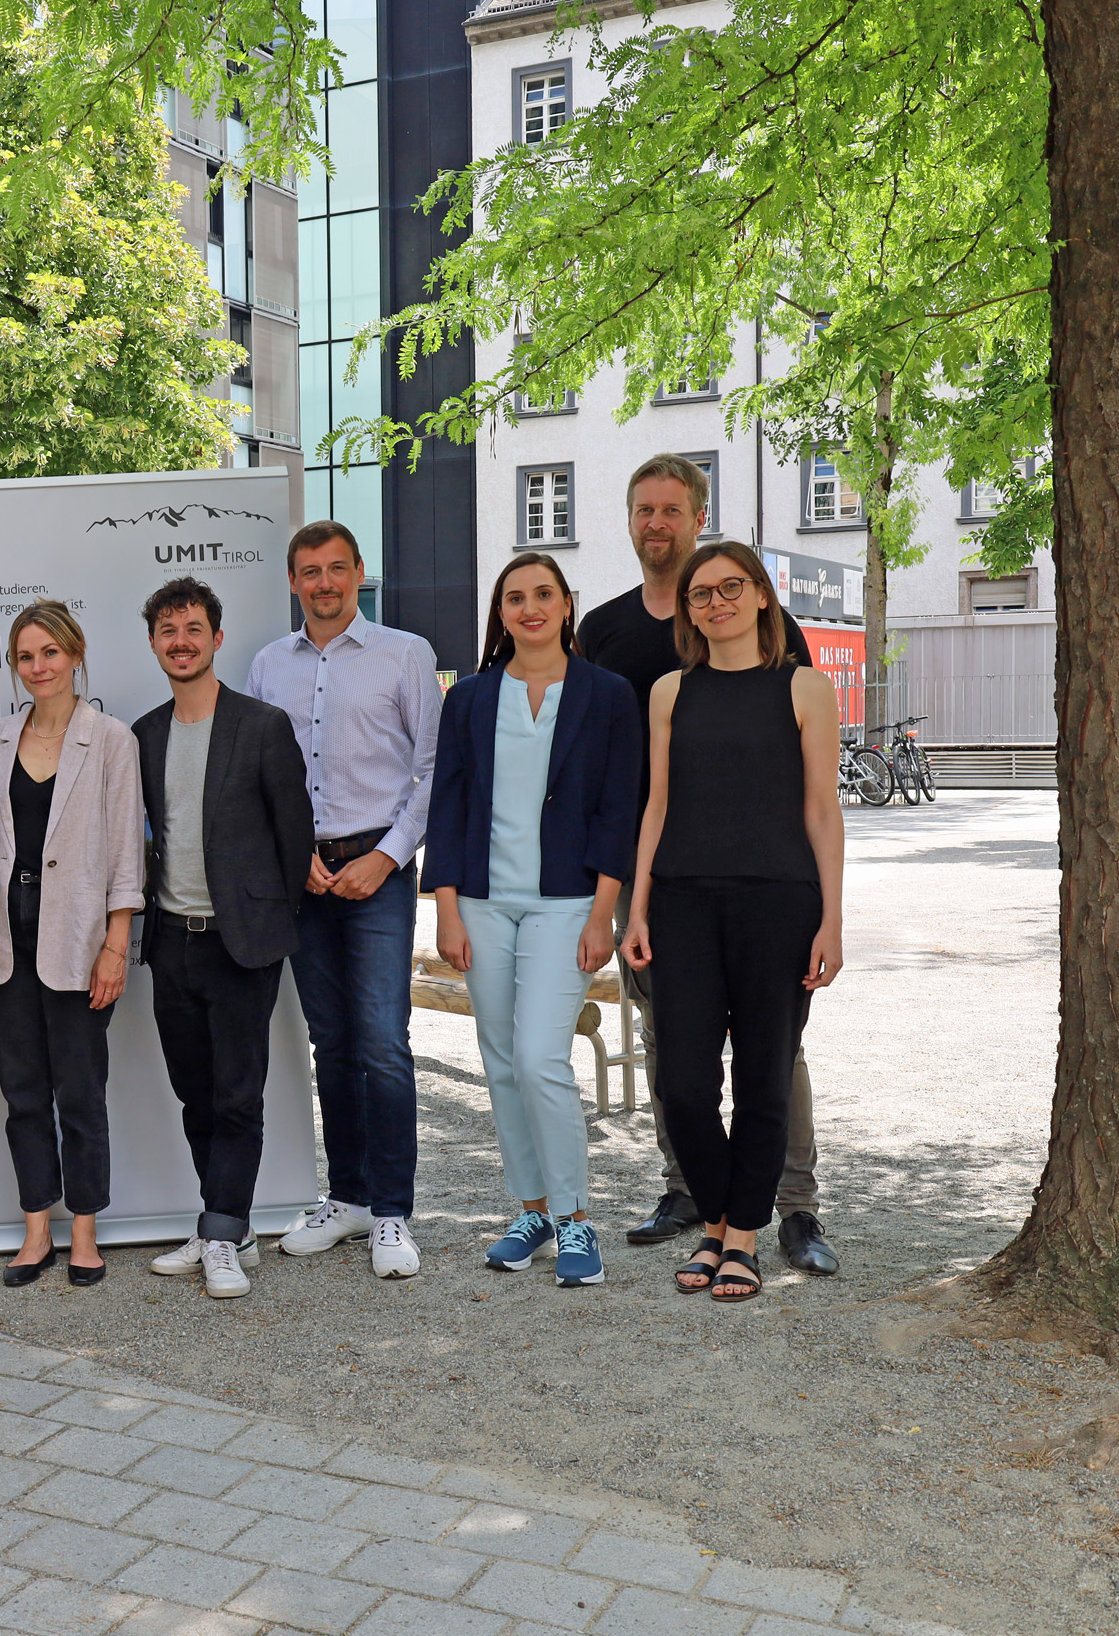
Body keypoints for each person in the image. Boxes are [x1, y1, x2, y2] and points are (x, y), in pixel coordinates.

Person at [576, 454, 840, 1276]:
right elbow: (643, 796)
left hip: (776, 895)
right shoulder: (628, 651)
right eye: (642, 508)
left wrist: (834, 915)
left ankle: (769, 1220)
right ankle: (703, 1199)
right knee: (679, 1067)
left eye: (671, 509)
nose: (717, 600)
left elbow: (820, 805)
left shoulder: (797, 675)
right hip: (672, 889)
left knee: (770, 1064)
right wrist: (633, 903)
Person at [424, 554, 639, 1289]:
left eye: (543, 594)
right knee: (503, 1062)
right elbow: (446, 807)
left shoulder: (608, 695)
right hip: (482, 902)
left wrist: (604, 912)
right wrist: (446, 908)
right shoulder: (471, 698)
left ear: (568, 604)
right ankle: (534, 1211)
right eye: (515, 597)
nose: (530, 607)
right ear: (501, 611)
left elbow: (621, 809)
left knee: (543, 1057)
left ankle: (579, 1221)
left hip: (568, 901)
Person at [247, 521, 441, 1279]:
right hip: (305, 877)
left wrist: (387, 858)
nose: (324, 583)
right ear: (292, 581)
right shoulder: (269, 665)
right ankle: (350, 1195)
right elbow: (262, 777)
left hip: (378, 874)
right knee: (331, 1041)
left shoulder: (404, 654)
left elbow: (432, 770)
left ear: (360, 572)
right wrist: (296, 859)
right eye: (308, 572)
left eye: (336, 569)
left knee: (384, 1043)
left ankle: (393, 1211)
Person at [0, 601, 145, 1288]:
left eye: (50, 653)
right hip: (6, 937)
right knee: (24, 1091)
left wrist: (116, 945)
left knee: (82, 1091)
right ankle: (37, 1228)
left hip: (80, 938)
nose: (39, 666)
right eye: (26, 656)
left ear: (76, 652)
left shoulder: (111, 740)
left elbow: (127, 853)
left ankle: (85, 1232)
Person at [134, 578, 317, 1300]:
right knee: (195, 1093)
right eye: (167, 630)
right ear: (153, 643)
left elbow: (293, 832)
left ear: (216, 636)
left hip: (242, 942)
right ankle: (226, 1222)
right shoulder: (144, 734)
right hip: (171, 938)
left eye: (193, 628)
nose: (181, 640)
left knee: (239, 1094)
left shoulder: (262, 725)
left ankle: (220, 1229)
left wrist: (270, 919)